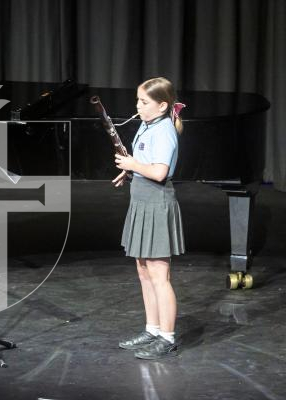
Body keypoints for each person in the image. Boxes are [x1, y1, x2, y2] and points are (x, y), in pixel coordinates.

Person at [112, 77, 186, 359]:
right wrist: (130, 171)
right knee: (144, 272)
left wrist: (133, 164)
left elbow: (160, 172)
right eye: (138, 101)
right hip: (141, 200)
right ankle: (152, 329)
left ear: (162, 105)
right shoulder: (147, 124)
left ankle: (167, 337)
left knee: (159, 275)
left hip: (156, 203)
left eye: (144, 102)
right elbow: (146, 164)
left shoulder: (164, 129)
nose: (138, 106)